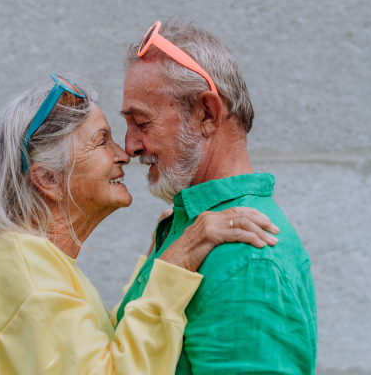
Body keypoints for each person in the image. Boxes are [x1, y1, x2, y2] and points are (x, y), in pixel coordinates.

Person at [0, 74, 280, 374]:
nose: (124, 153)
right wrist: (179, 259)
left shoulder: (20, 258)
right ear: (48, 179)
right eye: (101, 141)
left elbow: (91, 352)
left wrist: (160, 254)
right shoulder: (23, 266)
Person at [117, 19, 318, 374]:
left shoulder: (247, 258)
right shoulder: (195, 233)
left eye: (142, 123)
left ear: (206, 113)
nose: (130, 146)